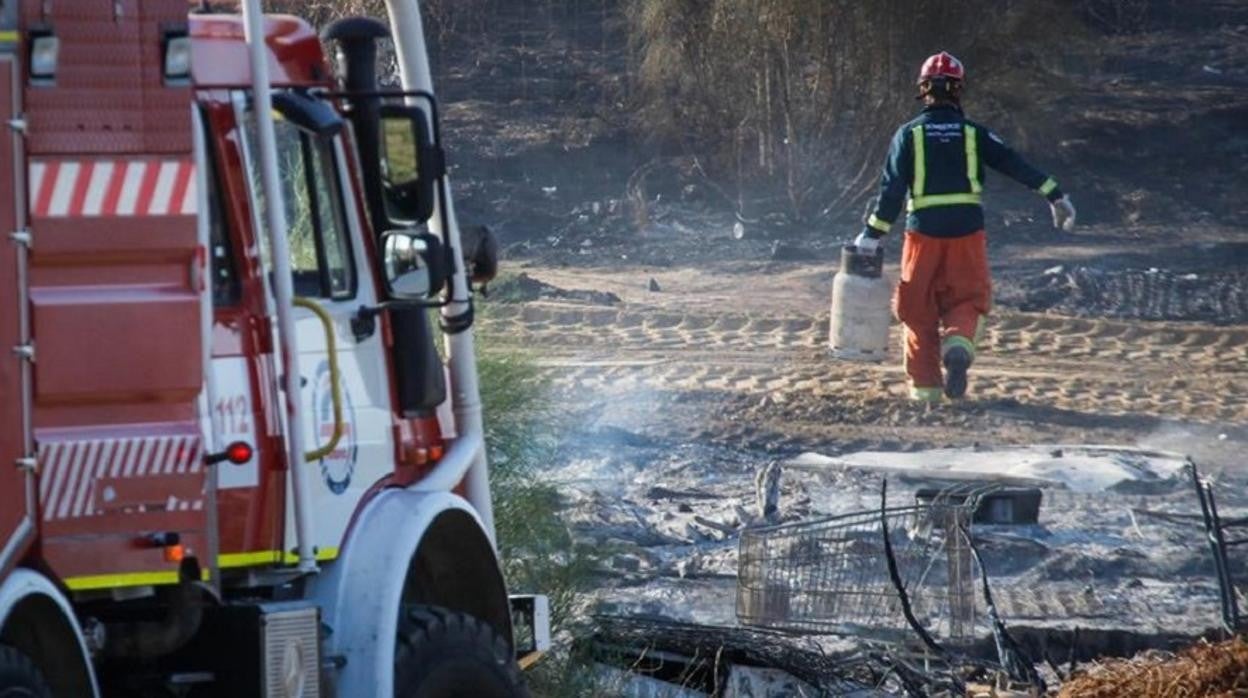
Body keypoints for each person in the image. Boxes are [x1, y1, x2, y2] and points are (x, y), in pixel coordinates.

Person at [854, 51, 1076, 402]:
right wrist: (1055, 194)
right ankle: (957, 346)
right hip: (967, 234)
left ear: (923, 89)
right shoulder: (974, 133)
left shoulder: (908, 134)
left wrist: (872, 235)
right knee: (968, 300)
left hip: (922, 235)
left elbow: (892, 191)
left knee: (917, 310)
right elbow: (1013, 163)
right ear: (958, 90)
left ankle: (926, 394)